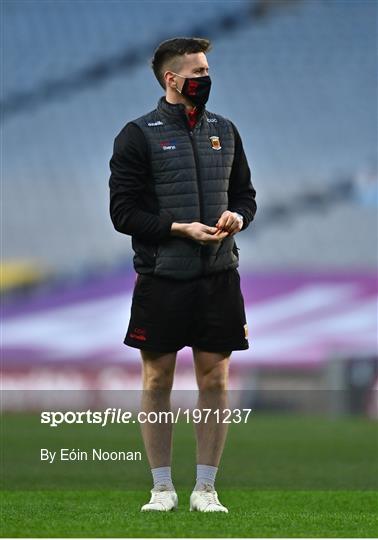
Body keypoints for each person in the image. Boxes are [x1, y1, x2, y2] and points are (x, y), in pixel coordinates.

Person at [108, 37, 257, 513]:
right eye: (197, 72)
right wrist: (177, 229)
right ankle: (162, 488)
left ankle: (206, 489)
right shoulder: (137, 135)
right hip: (162, 278)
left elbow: (246, 195)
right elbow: (123, 213)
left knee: (215, 379)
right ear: (172, 80)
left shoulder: (226, 131)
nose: (205, 79)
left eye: (207, 70)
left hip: (219, 275)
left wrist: (237, 216)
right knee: (157, 380)